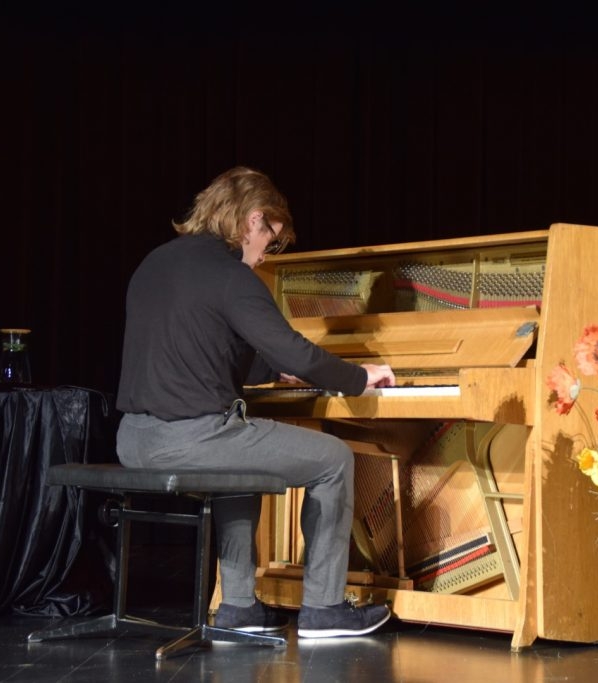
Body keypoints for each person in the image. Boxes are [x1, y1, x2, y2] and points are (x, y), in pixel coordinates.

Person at [115, 166, 396, 639]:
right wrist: (356, 376)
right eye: (272, 240)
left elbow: (198, 352)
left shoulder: (154, 263)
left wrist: (270, 372)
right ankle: (325, 609)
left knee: (236, 459)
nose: (267, 254)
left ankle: (240, 607)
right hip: (189, 441)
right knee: (333, 458)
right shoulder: (231, 275)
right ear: (253, 220)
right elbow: (293, 348)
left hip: (133, 440)